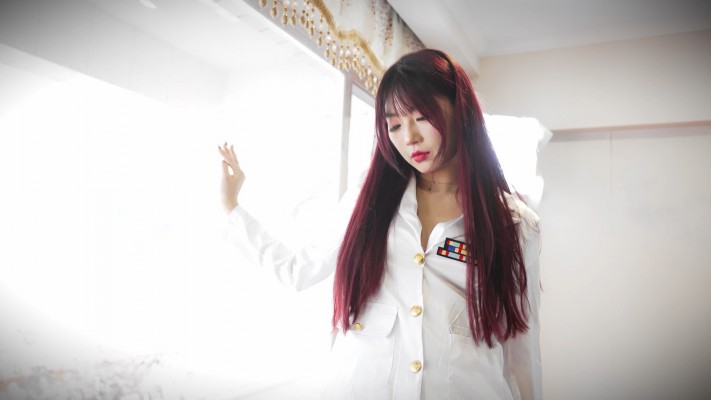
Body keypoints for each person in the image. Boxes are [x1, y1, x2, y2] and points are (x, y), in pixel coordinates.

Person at [217, 49, 541, 400]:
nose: (409, 137)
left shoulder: (514, 223)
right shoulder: (369, 203)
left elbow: (521, 352)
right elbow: (299, 269)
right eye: (395, 125)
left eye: (421, 116)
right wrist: (232, 208)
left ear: (459, 110)